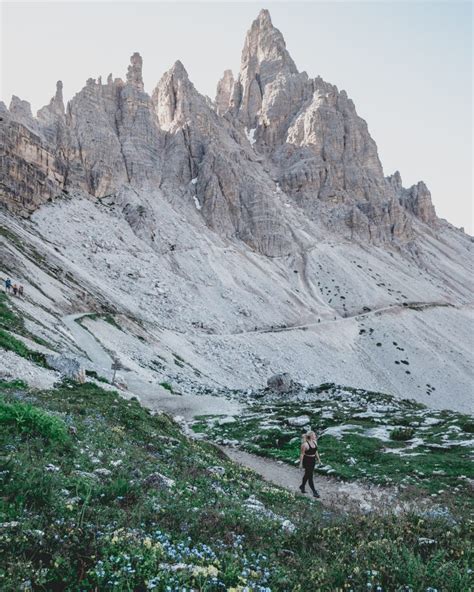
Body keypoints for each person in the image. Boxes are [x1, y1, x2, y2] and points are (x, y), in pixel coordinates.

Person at [299, 430, 321, 498]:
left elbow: (316, 451)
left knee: (307, 474)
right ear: (311, 436)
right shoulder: (305, 444)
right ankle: (314, 492)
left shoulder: (315, 442)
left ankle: (302, 486)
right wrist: (301, 463)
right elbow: (302, 454)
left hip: (313, 460)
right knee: (310, 476)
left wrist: (319, 459)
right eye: (314, 435)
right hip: (307, 461)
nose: (315, 436)